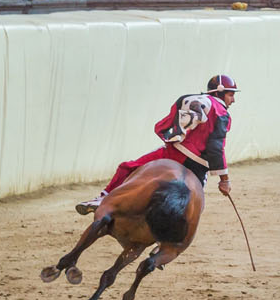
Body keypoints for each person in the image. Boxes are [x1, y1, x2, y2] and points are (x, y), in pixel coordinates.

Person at [78, 75, 238, 212]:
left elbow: (169, 125)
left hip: (172, 153)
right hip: (197, 167)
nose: (233, 100)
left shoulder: (189, 99)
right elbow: (216, 148)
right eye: (231, 95)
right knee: (195, 207)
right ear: (219, 92)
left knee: (127, 167)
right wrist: (224, 180)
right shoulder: (222, 113)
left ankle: (102, 199)